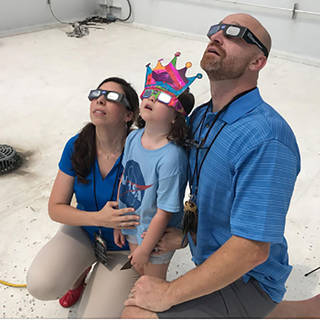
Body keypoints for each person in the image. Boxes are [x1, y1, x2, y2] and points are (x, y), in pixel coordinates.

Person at [121, 13, 320, 319]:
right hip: (213, 261)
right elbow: (194, 193)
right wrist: (185, 234)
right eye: (215, 30)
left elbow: (252, 249)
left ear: (257, 62)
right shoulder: (202, 119)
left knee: (135, 314)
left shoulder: (266, 139)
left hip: (250, 279)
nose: (217, 36)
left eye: (234, 33)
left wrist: (169, 293)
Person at [27, 77, 142, 318]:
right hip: (84, 232)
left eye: (112, 97)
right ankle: (79, 275)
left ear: (128, 115)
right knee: (41, 283)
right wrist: (99, 219)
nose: (100, 99)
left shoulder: (144, 151)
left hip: (125, 248)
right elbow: (56, 208)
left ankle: (100, 274)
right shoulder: (77, 146)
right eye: (97, 93)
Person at [113, 52, 201, 280]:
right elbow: (125, 178)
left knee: (152, 282)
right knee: (139, 274)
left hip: (156, 237)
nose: (150, 99)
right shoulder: (133, 138)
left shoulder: (171, 156)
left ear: (176, 116)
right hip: (132, 223)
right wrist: (118, 221)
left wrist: (144, 248)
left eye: (162, 98)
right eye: (149, 94)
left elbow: (165, 210)